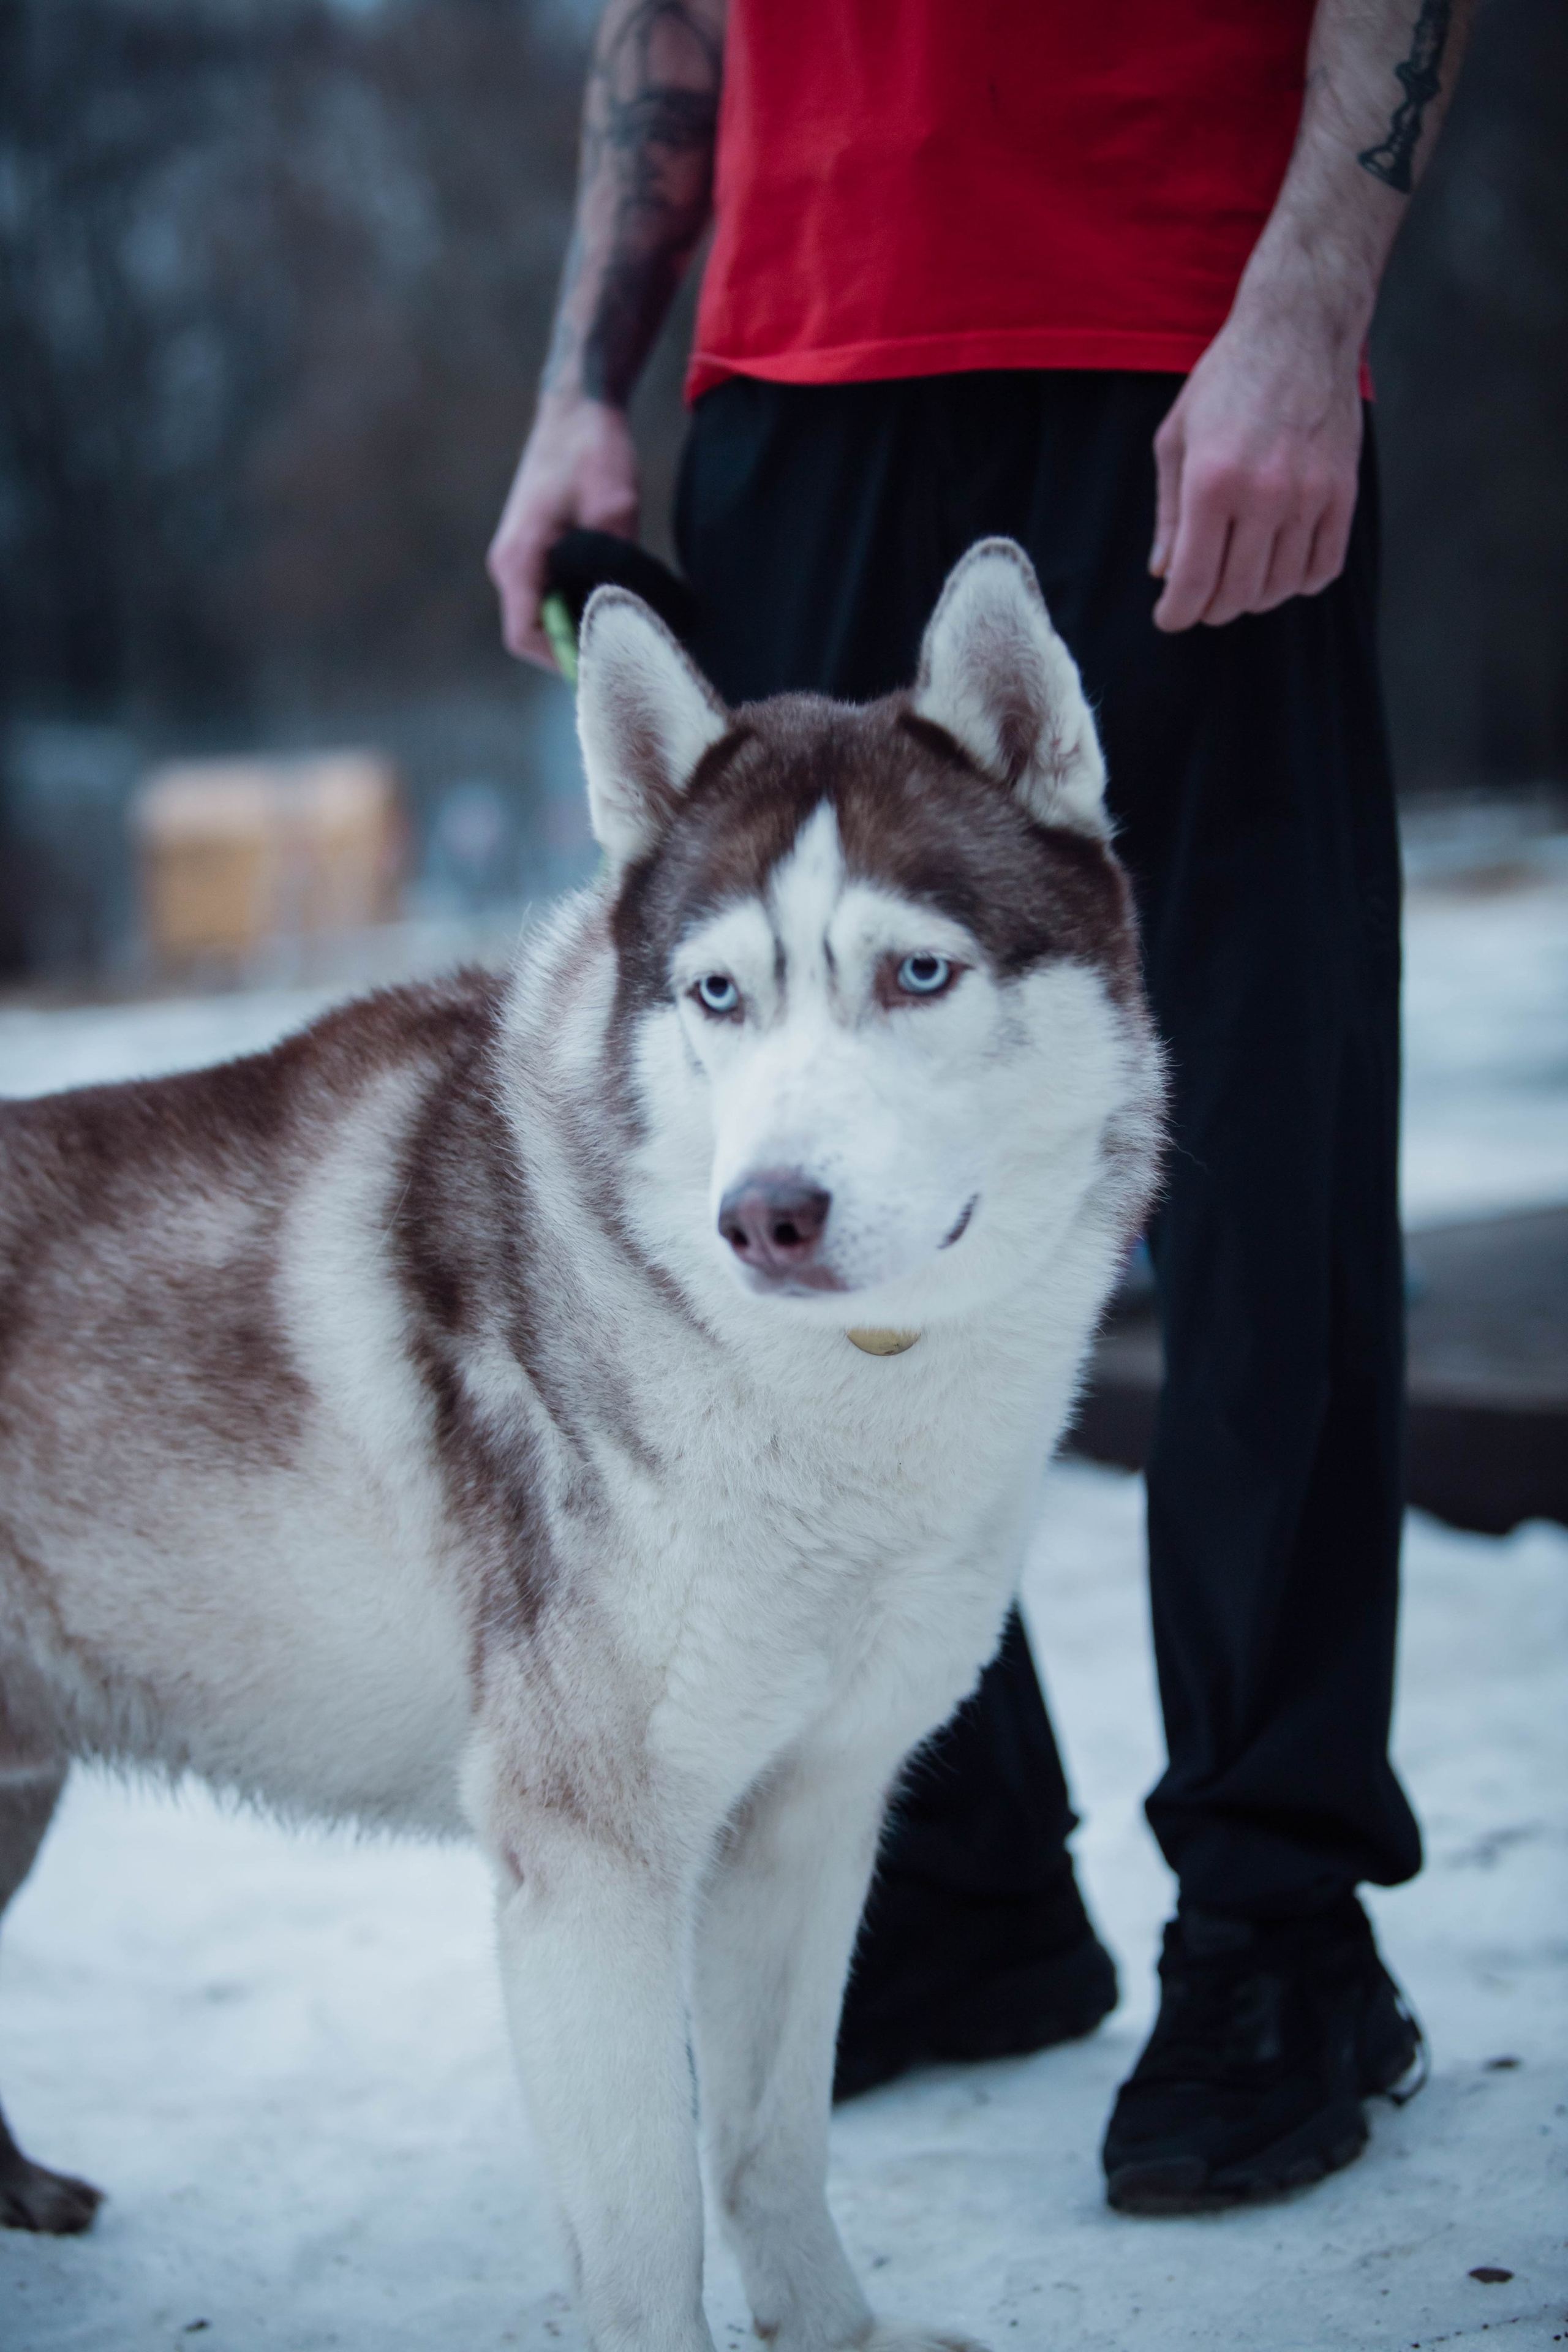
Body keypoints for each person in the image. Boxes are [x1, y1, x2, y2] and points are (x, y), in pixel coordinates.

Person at [488, 0, 1476, 2212]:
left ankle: (1282, 1921)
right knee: (820, 1160)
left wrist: (1308, 304)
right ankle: (959, 1885)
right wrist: (584, 381)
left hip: (1174, 317)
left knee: (1258, 1145)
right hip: (791, 355)